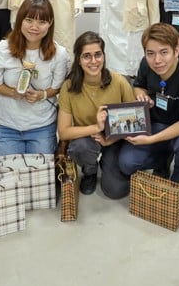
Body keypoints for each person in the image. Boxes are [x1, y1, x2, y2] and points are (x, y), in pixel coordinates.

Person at [119, 23, 179, 184]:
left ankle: (176, 180)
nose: (157, 60)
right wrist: (142, 95)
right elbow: (138, 86)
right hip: (155, 122)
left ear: (176, 51)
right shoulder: (146, 63)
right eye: (150, 53)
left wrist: (150, 140)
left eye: (164, 52)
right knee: (126, 163)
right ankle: (161, 161)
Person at [0, 0, 71, 156]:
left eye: (42, 22)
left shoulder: (59, 54)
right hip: (7, 125)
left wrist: (42, 94)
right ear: (19, 21)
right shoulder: (3, 48)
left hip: (42, 125)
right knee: (12, 177)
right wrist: (12, 92)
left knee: (38, 177)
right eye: (29, 20)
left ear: (50, 24)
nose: (34, 27)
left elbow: (57, 88)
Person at [57, 32, 135, 197]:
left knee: (116, 191)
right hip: (87, 139)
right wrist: (96, 127)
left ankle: (111, 165)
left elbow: (134, 123)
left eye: (98, 54)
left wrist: (110, 140)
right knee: (80, 147)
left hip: (115, 140)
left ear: (104, 56)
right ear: (78, 59)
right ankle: (90, 171)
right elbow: (64, 132)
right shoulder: (69, 87)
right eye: (87, 56)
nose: (93, 61)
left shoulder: (120, 82)